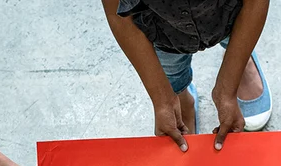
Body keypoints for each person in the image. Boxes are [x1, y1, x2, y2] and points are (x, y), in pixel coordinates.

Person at [102, 0, 272, 152]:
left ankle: (242, 65)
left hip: (230, 14)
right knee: (171, 71)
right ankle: (180, 96)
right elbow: (116, 13)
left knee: (237, 39)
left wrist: (227, 90)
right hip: (163, 29)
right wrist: (164, 100)